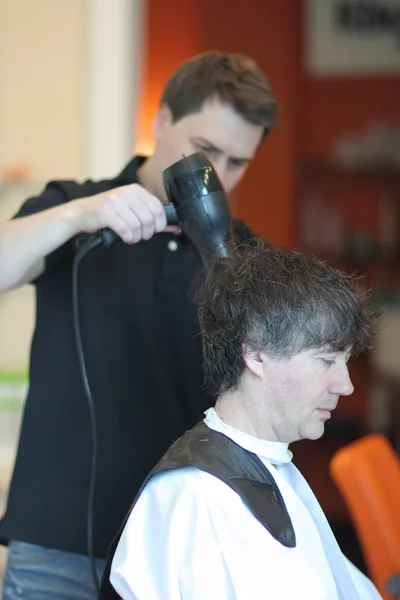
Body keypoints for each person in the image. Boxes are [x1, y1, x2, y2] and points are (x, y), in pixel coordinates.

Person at [0, 52, 278, 599]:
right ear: (161, 120)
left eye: (238, 161)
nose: (218, 175)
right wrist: (80, 217)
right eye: (206, 150)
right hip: (56, 537)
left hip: (176, 545)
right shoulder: (74, 207)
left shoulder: (242, 256)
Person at [101, 240, 381, 600]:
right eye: (326, 361)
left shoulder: (274, 466)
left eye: (345, 361)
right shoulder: (192, 495)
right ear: (256, 354)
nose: (346, 385)